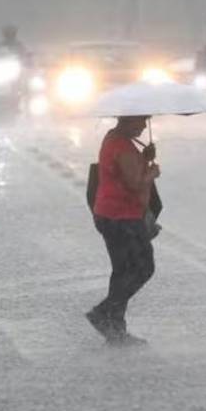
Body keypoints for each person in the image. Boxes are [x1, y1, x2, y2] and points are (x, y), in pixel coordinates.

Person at [86, 115, 160, 346]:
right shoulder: (122, 146)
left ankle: (115, 331)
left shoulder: (114, 139)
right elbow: (135, 183)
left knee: (122, 272)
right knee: (143, 268)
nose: (143, 126)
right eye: (140, 122)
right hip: (122, 218)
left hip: (109, 214)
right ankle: (104, 312)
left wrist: (144, 157)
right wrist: (152, 173)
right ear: (126, 121)